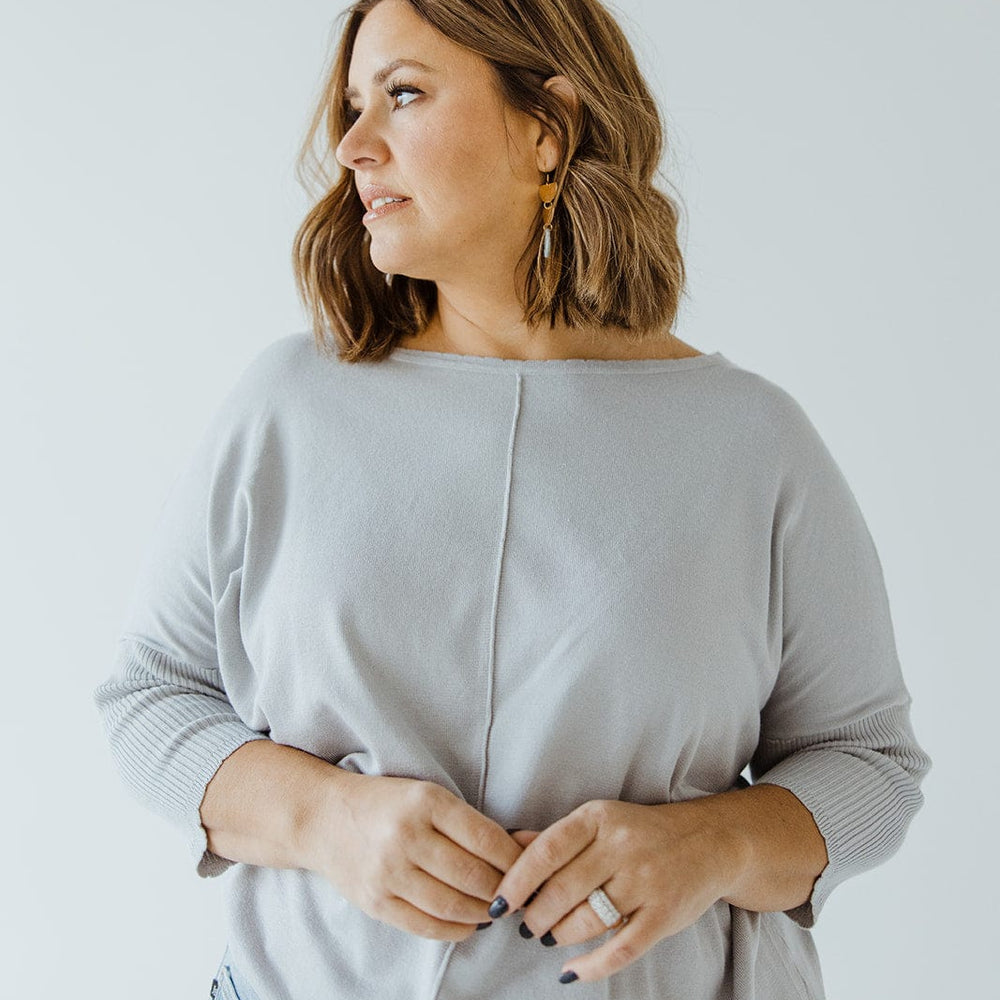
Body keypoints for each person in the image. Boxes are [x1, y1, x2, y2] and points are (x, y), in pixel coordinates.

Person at [93, 0, 931, 997]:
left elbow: (868, 764)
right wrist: (330, 820)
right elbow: (150, 695)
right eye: (354, 108)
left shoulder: (751, 441)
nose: (354, 146)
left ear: (548, 126)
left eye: (402, 95)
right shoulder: (285, 408)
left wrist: (708, 843)